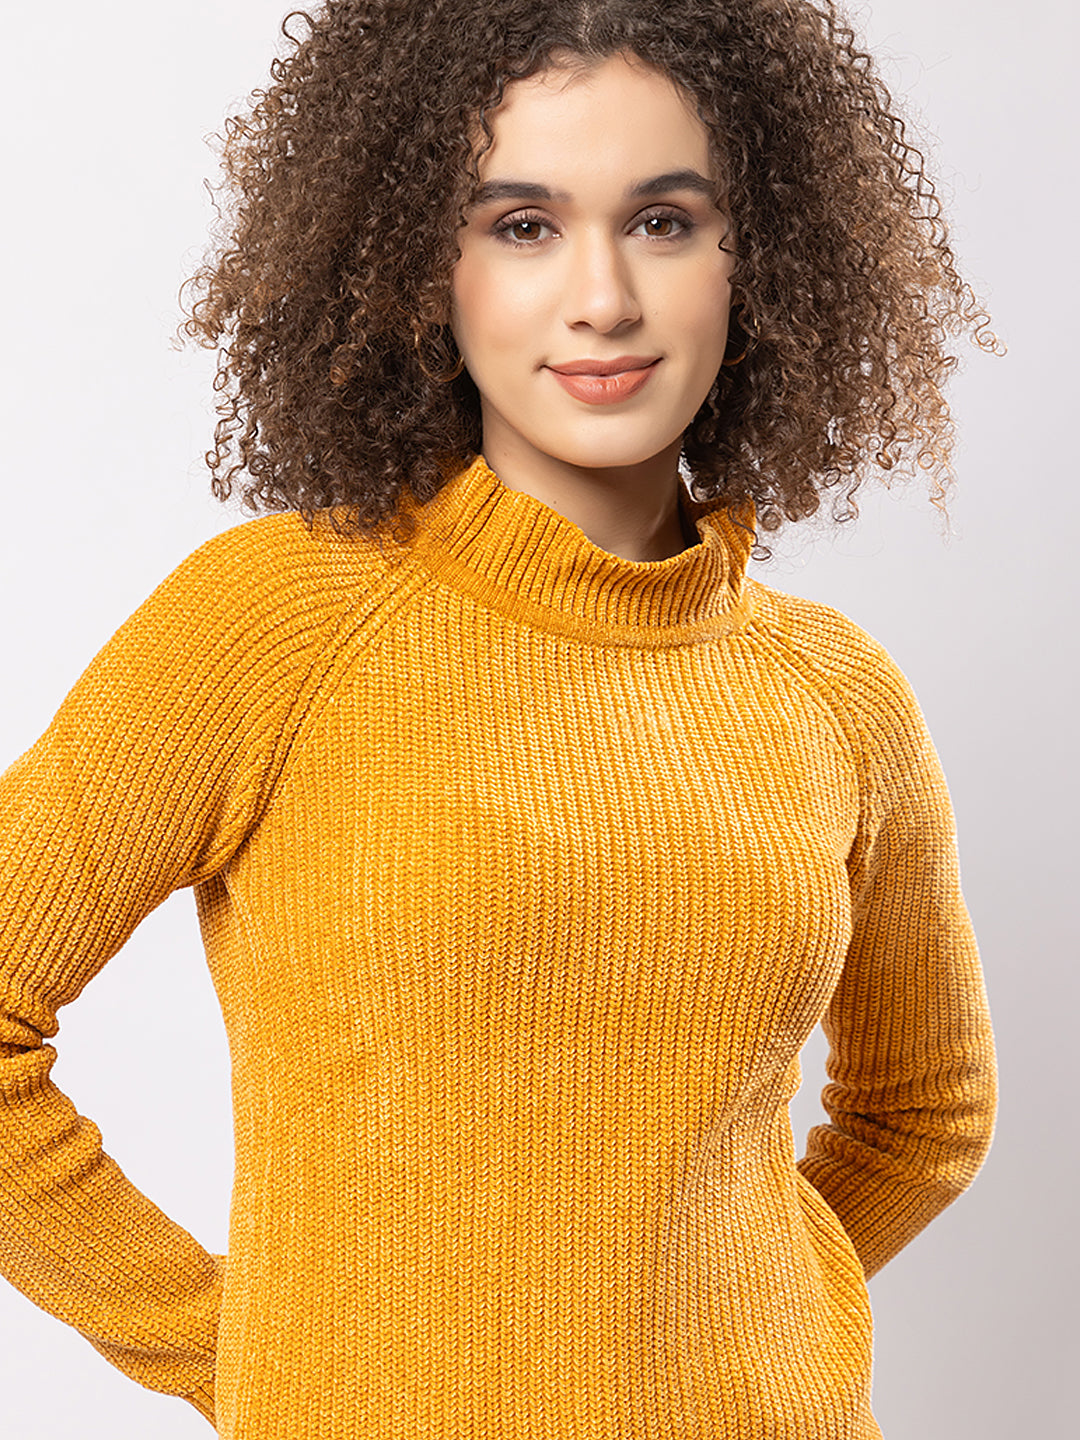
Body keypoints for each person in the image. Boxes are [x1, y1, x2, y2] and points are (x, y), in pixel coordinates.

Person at [0, 1, 1000, 1436]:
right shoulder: (279, 621)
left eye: (664, 223)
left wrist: (746, 1331)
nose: (603, 298)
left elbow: (925, 1113)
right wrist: (251, 1353)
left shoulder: (835, 691)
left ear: (756, 259)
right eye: (523, 226)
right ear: (426, 266)